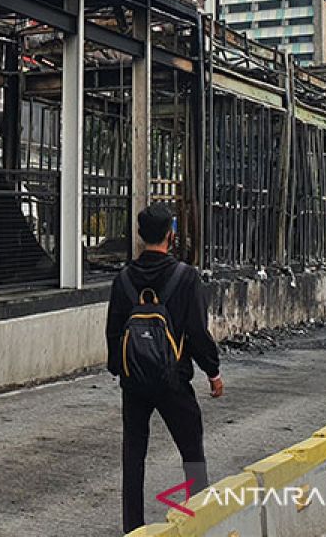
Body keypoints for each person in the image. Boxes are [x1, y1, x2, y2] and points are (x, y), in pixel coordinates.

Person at [105, 202, 223, 534]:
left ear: (141, 236)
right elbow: (198, 332)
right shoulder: (186, 277)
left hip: (135, 384)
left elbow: (114, 331)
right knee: (191, 451)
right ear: (170, 235)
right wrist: (212, 372)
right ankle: (198, 520)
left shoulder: (124, 279)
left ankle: (134, 529)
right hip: (174, 381)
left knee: (133, 456)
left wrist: (120, 369)